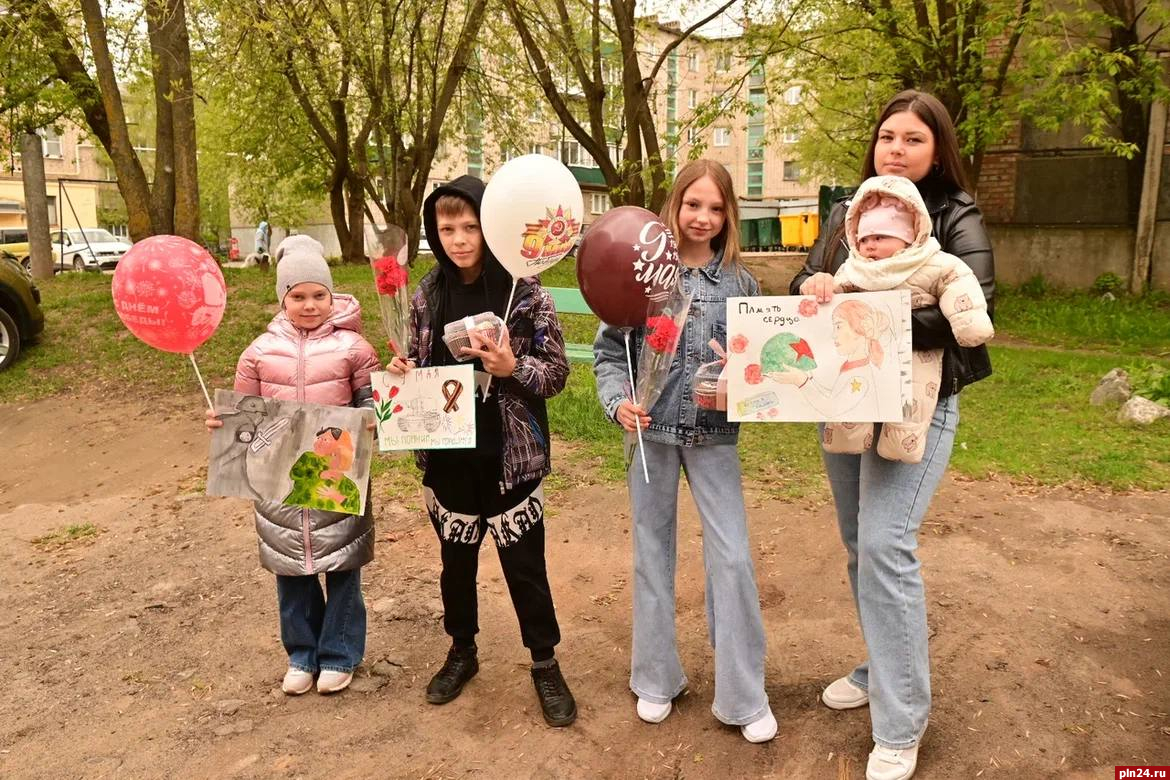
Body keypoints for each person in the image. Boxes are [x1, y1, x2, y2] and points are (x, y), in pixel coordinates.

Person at [790, 89, 995, 780]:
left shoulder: (954, 214)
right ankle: (882, 666)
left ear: (937, 148)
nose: (896, 148)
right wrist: (816, 290)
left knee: (885, 543)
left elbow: (972, 304)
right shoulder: (851, 210)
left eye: (913, 138)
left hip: (920, 401)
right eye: (887, 136)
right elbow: (808, 278)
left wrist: (870, 313)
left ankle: (902, 721)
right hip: (849, 395)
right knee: (859, 546)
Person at [593, 159, 777, 743]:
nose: (703, 217)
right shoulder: (645, 276)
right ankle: (656, 678)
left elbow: (763, 370)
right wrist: (619, 401)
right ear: (674, 207)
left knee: (732, 558)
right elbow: (607, 356)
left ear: (729, 217)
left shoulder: (742, 286)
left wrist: (742, 384)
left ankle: (744, 695)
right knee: (653, 555)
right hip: (651, 439)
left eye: (716, 208)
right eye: (693, 204)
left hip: (714, 437)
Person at [386, 175, 577, 727]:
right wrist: (403, 373)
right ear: (434, 233)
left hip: (510, 458)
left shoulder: (526, 290)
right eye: (447, 228)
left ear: (489, 227)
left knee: (524, 567)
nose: (459, 239)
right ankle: (461, 651)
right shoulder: (425, 294)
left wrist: (513, 369)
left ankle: (544, 662)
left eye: (470, 226)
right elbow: (417, 370)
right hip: (448, 458)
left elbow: (557, 373)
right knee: (455, 565)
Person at [205, 234, 381, 696]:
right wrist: (224, 423)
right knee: (290, 571)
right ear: (282, 298)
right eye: (298, 296)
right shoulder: (259, 352)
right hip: (277, 483)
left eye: (318, 295)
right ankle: (302, 655)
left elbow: (372, 403)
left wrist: (377, 413)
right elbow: (245, 411)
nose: (309, 305)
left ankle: (339, 654)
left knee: (343, 567)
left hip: (334, 475)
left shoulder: (354, 348)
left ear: (331, 295)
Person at [780, 174, 993, 463]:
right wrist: (814, 287)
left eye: (879, 237)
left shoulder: (933, 262)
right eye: (864, 238)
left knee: (913, 405)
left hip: (918, 357)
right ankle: (846, 438)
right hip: (861, 356)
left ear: (908, 235)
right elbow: (830, 292)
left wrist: (969, 322)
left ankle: (902, 446)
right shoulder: (854, 269)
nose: (869, 245)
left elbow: (959, 284)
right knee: (851, 398)